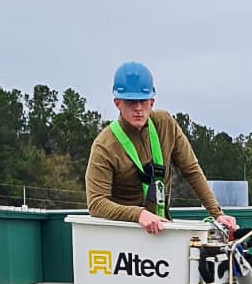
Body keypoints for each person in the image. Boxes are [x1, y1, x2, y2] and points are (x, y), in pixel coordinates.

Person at [85, 61, 238, 236]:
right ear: (117, 103)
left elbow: (191, 170)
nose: (138, 109)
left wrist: (217, 214)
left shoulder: (165, 123)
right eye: (130, 102)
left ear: (152, 101)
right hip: (124, 234)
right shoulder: (104, 145)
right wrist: (137, 214)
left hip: (161, 230)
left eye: (143, 101)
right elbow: (96, 203)